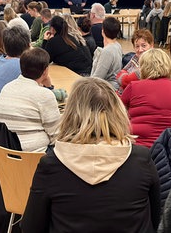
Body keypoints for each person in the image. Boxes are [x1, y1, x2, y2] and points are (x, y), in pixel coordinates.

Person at [22, 77, 160, 232]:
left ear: (70, 114)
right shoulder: (141, 158)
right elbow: (156, 217)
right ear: (118, 112)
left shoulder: (51, 165)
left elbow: (31, 226)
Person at [0, 48, 60, 152]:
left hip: (1, 155)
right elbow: (56, 135)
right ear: (45, 71)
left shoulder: (8, 87)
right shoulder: (44, 95)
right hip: (33, 158)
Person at [121, 49, 171, 147]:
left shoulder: (134, 87)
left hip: (138, 146)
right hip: (170, 149)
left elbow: (119, 113)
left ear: (143, 67)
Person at [116, 29, 154, 94]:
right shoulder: (136, 58)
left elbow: (128, 82)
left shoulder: (153, 63)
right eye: (137, 46)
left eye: (144, 46)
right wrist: (125, 79)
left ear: (151, 46)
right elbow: (119, 75)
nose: (140, 50)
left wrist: (125, 78)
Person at [91, 17, 122, 89]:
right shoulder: (117, 45)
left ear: (103, 31)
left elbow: (97, 78)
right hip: (112, 86)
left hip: (106, 88)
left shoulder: (107, 51)